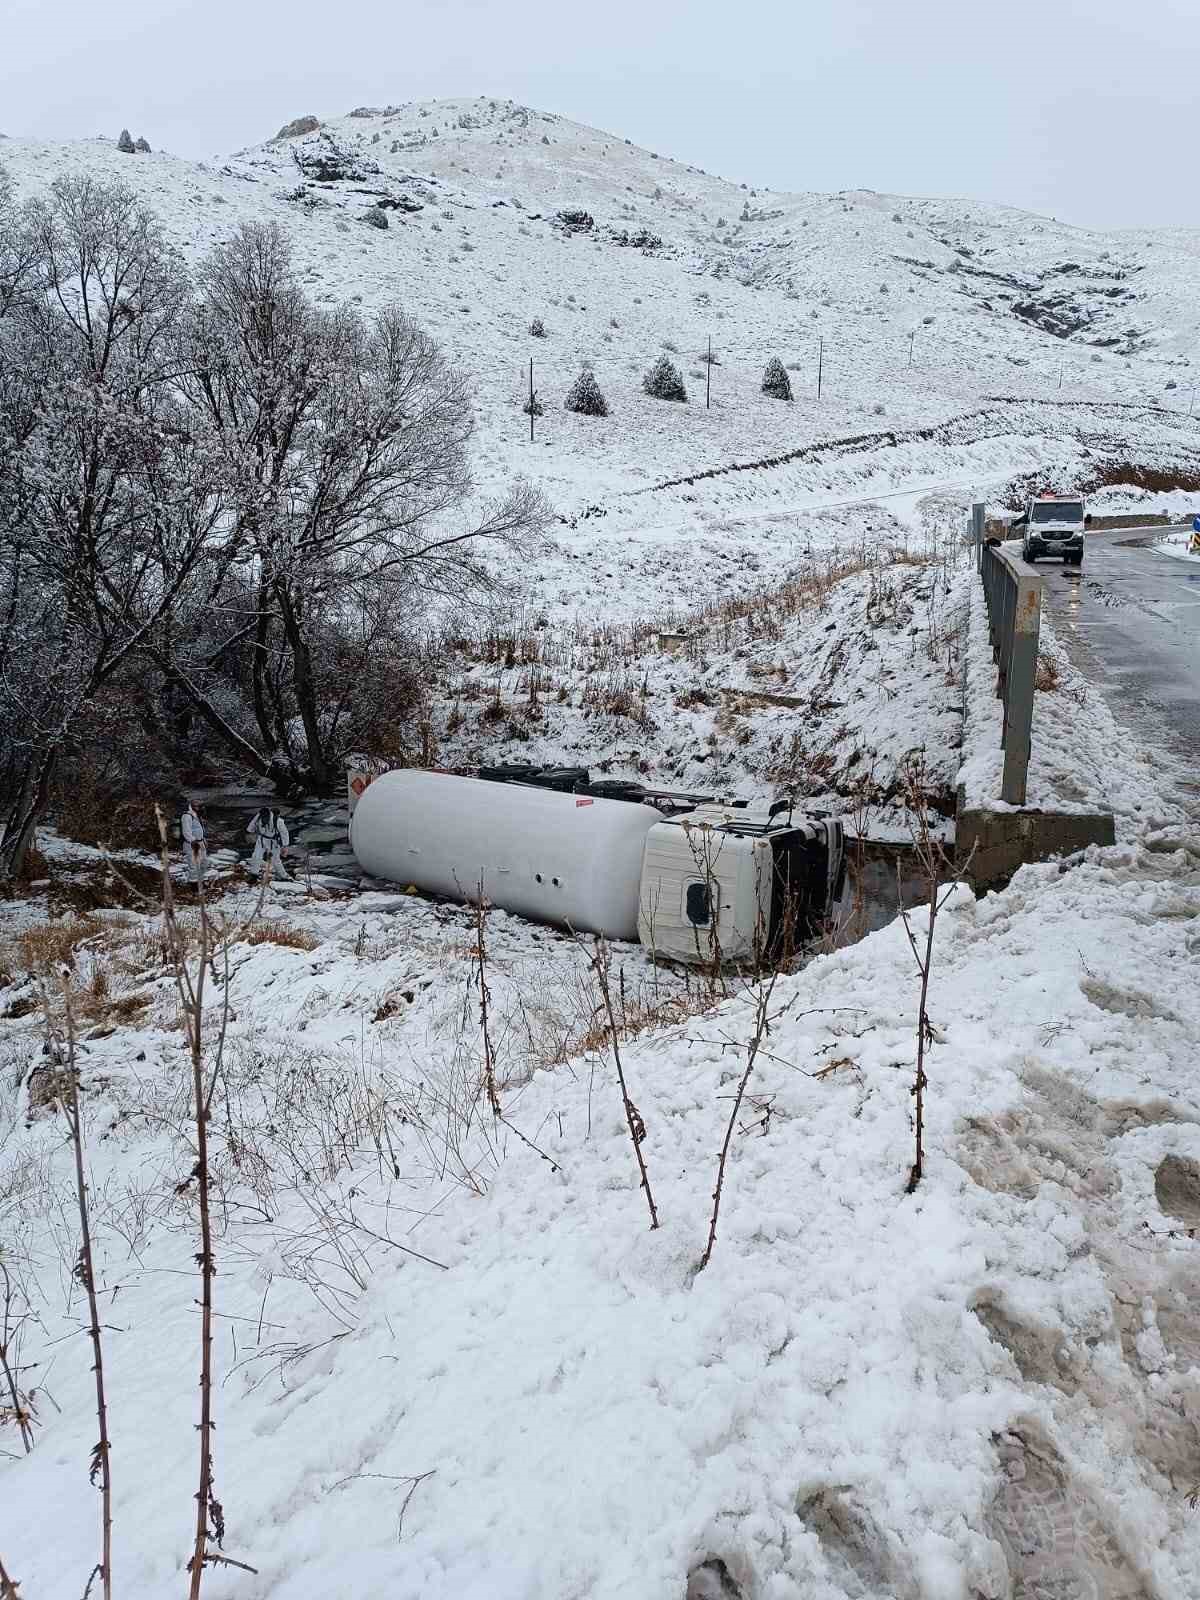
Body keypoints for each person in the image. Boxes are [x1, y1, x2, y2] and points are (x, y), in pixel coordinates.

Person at [246, 807, 291, 880]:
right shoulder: (259, 817)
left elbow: (284, 833)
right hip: (261, 840)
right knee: (256, 856)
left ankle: (284, 876)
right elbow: (250, 828)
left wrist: (285, 846)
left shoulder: (278, 821)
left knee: (275, 860)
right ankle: (254, 874)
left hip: (273, 843)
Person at [180, 800, 208, 885]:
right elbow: (186, 832)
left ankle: (201, 881)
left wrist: (203, 839)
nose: (201, 808)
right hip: (192, 844)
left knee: (204, 863)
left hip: (200, 842)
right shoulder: (187, 816)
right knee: (194, 864)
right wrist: (193, 841)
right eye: (199, 806)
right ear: (193, 806)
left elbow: (199, 829)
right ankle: (193, 884)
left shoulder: (197, 815)